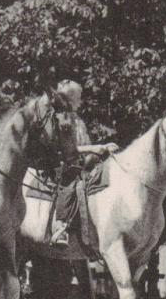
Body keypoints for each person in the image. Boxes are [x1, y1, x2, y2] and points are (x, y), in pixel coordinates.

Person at [49, 80, 119, 247]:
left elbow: (85, 144)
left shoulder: (77, 120)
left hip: (82, 160)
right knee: (70, 181)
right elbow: (68, 149)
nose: (81, 101)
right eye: (78, 98)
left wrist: (104, 148)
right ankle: (61, 226)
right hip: (64, 162)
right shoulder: (60, 120)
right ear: (69, 99)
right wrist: (96, 148)